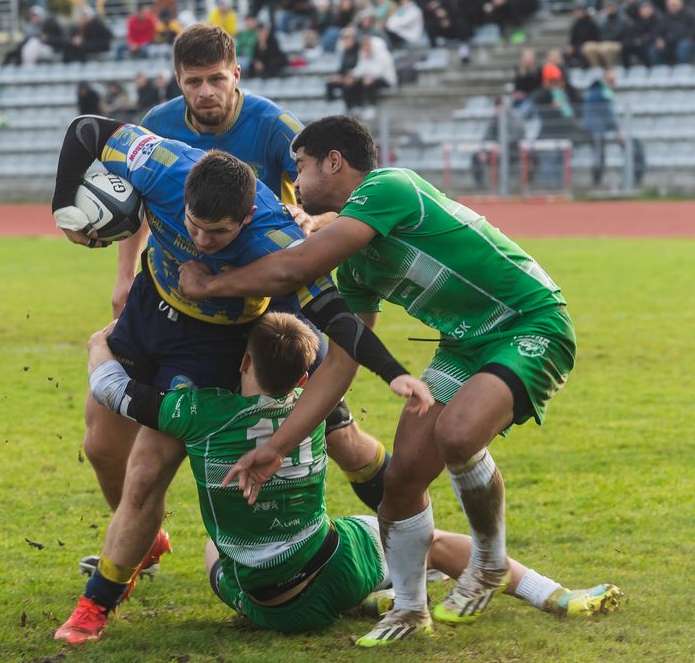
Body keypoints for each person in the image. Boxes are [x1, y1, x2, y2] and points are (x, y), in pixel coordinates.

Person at [178, 115, 584, 647]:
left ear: (334, 161)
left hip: (530, 321)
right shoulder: (360, 267)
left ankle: (488, 562)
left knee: (457, 433)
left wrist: (212, 286)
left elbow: (290, 271)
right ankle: (412, 608)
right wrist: (278, 446)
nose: (295, 182)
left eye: (298, 167)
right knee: (402, 478)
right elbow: (340, 366)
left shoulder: (391, 186)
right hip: (464, 344)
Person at [51, 117, 434, 640]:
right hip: (149, 310)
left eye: (220, 233)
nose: (203, 241)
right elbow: (86, 131)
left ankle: (96, 605)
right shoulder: (162, 165)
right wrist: (64, 206)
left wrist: (393, 372)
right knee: (100, 446)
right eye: (194, 225)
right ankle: (148, 541)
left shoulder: (275, 234)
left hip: (219, 346)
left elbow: (336, 315)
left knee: (152, 465)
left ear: (248, 215)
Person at [54, 313, 623, 643]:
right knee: (433, 543)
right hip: (338, 562)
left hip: (271, 607)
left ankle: (380, 598)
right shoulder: (316, 407)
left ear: (243, 363)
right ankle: (555, 597)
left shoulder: (198, 411)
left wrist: (100, 344)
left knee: (216, 551)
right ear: (306, 376)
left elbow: (113, 391)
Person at [116, 24, 395, 520]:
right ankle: (144, 544)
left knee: (338, 436)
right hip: (185, 308)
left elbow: (349, 194)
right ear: (177, 79)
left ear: (236, 75)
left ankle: (407, 526)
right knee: (132, 447)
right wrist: (122, 277)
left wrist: (315, 219)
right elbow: (140, 202)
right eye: (193, 81)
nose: (205, 92)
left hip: (275, 305)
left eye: (217, 80)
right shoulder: (156, 125)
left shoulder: (274, 126)